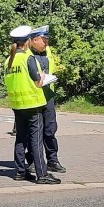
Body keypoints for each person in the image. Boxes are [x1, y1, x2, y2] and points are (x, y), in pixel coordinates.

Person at [4, 26, 61, 185]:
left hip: (17, 105)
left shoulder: (8, 60)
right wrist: (43, 76)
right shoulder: (28, 59)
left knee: (21, 139)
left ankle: (20, 172)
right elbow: (38, 81)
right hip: (33, 104)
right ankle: (42, 174)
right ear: (28, 41)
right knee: (36, 141)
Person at [25, 25, 66, 173]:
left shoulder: (47, 51)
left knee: (50, 130)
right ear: (34, 40)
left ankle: (52, 160)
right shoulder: (27, 54)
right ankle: (32, 161)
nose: (46, 43)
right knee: (34, 132)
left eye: (47, 40)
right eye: (44, 40)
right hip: (33, 97)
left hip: (48, 96)